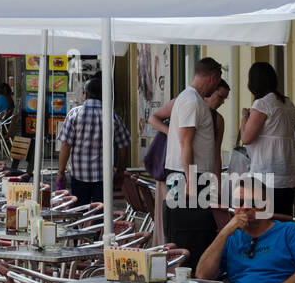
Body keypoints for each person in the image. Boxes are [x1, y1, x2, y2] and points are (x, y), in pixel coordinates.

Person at [164, 57, 224, 263]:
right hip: (189, 176)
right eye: (217, 83)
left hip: (190, 174)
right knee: (191, 233)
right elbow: (185, 142)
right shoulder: (192, 101)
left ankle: (191, 277)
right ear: (214, 78)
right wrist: (190, 179)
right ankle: (189, 279)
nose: (216, 89)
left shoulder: (189, 98)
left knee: (196, 232)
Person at [239, 62, 295, 216]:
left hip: (265, 174)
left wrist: (245, 117)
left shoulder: (262, 104)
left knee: (263, 220)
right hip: (288, 173)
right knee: (283, 219)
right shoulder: (288, 103)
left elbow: (246, 138)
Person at [56, 76, 130, 205]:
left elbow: (65, 145)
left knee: (80, 211)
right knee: (101, 213)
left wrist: (60, 172)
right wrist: (120, 170)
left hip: (79, 174)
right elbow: (124, 147)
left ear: (85, 95)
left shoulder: (74, 114)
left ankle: (82, 225)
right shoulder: (112, 116)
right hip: (104, 176)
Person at [145, 80, 230, 180]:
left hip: (201, 172)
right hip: (174, 167)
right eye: (220, 96)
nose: (222, 102)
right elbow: (153, 118)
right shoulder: (185, 102)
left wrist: (218, 182)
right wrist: (171, 132)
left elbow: (216, 152)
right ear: (210, 91)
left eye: (225, 98)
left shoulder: (218, 119)